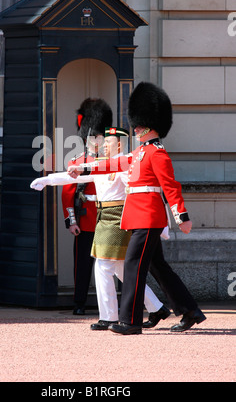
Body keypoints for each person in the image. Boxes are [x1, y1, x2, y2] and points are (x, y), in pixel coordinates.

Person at [67, 82, 206, 334]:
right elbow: (113, 163)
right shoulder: (141, 152)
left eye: (140, 125)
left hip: (148, 217)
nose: (136, 128)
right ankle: (190, 311)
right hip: (137, 216)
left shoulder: (157, 153)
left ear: (151, 125)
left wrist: (181, 216)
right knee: (158, 267)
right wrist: (83, 168)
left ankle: (129, 321)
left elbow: (171, 186)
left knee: (132, 264)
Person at [31, 125, 170, 330]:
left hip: (118, 218)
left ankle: (109, 316)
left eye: (108, 142)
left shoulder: (128, 164)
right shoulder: (101, 164)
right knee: (122, 269)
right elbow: (75, 177)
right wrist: (47, 180)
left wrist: (162, 223)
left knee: (103, 266)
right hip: (103, 217)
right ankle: (157, 307)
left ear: (120, 144)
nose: (103, 145)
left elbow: (147, 191)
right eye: (104, 141)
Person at [61, 98, 113, 315]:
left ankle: (108, 306)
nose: (96, 141)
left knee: (108, 265)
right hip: (85, 218)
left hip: (108, 217)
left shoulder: (111, 160)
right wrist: (72, 222)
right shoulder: (76, 160)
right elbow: (68, 194)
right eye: (93, 138)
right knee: (82, 266)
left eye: (98, 137)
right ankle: (79, 302)